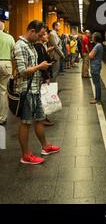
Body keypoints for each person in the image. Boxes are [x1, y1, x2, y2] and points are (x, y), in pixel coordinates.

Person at [14, 20, 61, 165]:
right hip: (26, 90)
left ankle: (45, 147)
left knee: (39, 118)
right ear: (32, 31)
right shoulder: (20, 45)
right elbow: (22, 71)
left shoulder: (32, 45)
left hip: (35, 88)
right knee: (26, 122)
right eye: (39, 35)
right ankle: (25, 155)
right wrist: (40, 67)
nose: (41, 37)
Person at [34, 30, 55, 126]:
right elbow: (41, 62)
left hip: (42, 74)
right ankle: (42, 118)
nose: (47, 36)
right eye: (45, 34)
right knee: (43, 97)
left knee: (42, 96)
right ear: (40, 36)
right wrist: (46, 76)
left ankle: (42, 117)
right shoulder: (39, 47)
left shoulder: (41, 46)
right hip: (41, 76)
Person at [0, 21, 15, 125]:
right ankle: (2, 117)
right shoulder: (9, 37)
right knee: (3, 91)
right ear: (3, 27)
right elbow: (14, 53)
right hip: (6, 64)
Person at [89, 32, 103, 104]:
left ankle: (97, 99)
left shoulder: (97, 46)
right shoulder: (99, 45)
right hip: (97, 65)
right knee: (97, 82)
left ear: (95, 38)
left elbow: (90, 56)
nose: (92, 37)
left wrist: (90, 54)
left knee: (96, 83)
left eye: (93, 36)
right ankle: (97, 98)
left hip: (95, 66)